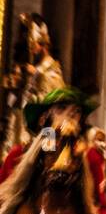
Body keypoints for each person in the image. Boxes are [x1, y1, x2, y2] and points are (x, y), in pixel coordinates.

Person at [4, 14, 67, 151]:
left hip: (45, 129)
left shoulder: (52, 68)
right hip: (27, 131)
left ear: (42, 43)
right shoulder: (37, 68)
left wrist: (38, 75)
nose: (31, 50)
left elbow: (56, 98)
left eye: (33, 45)